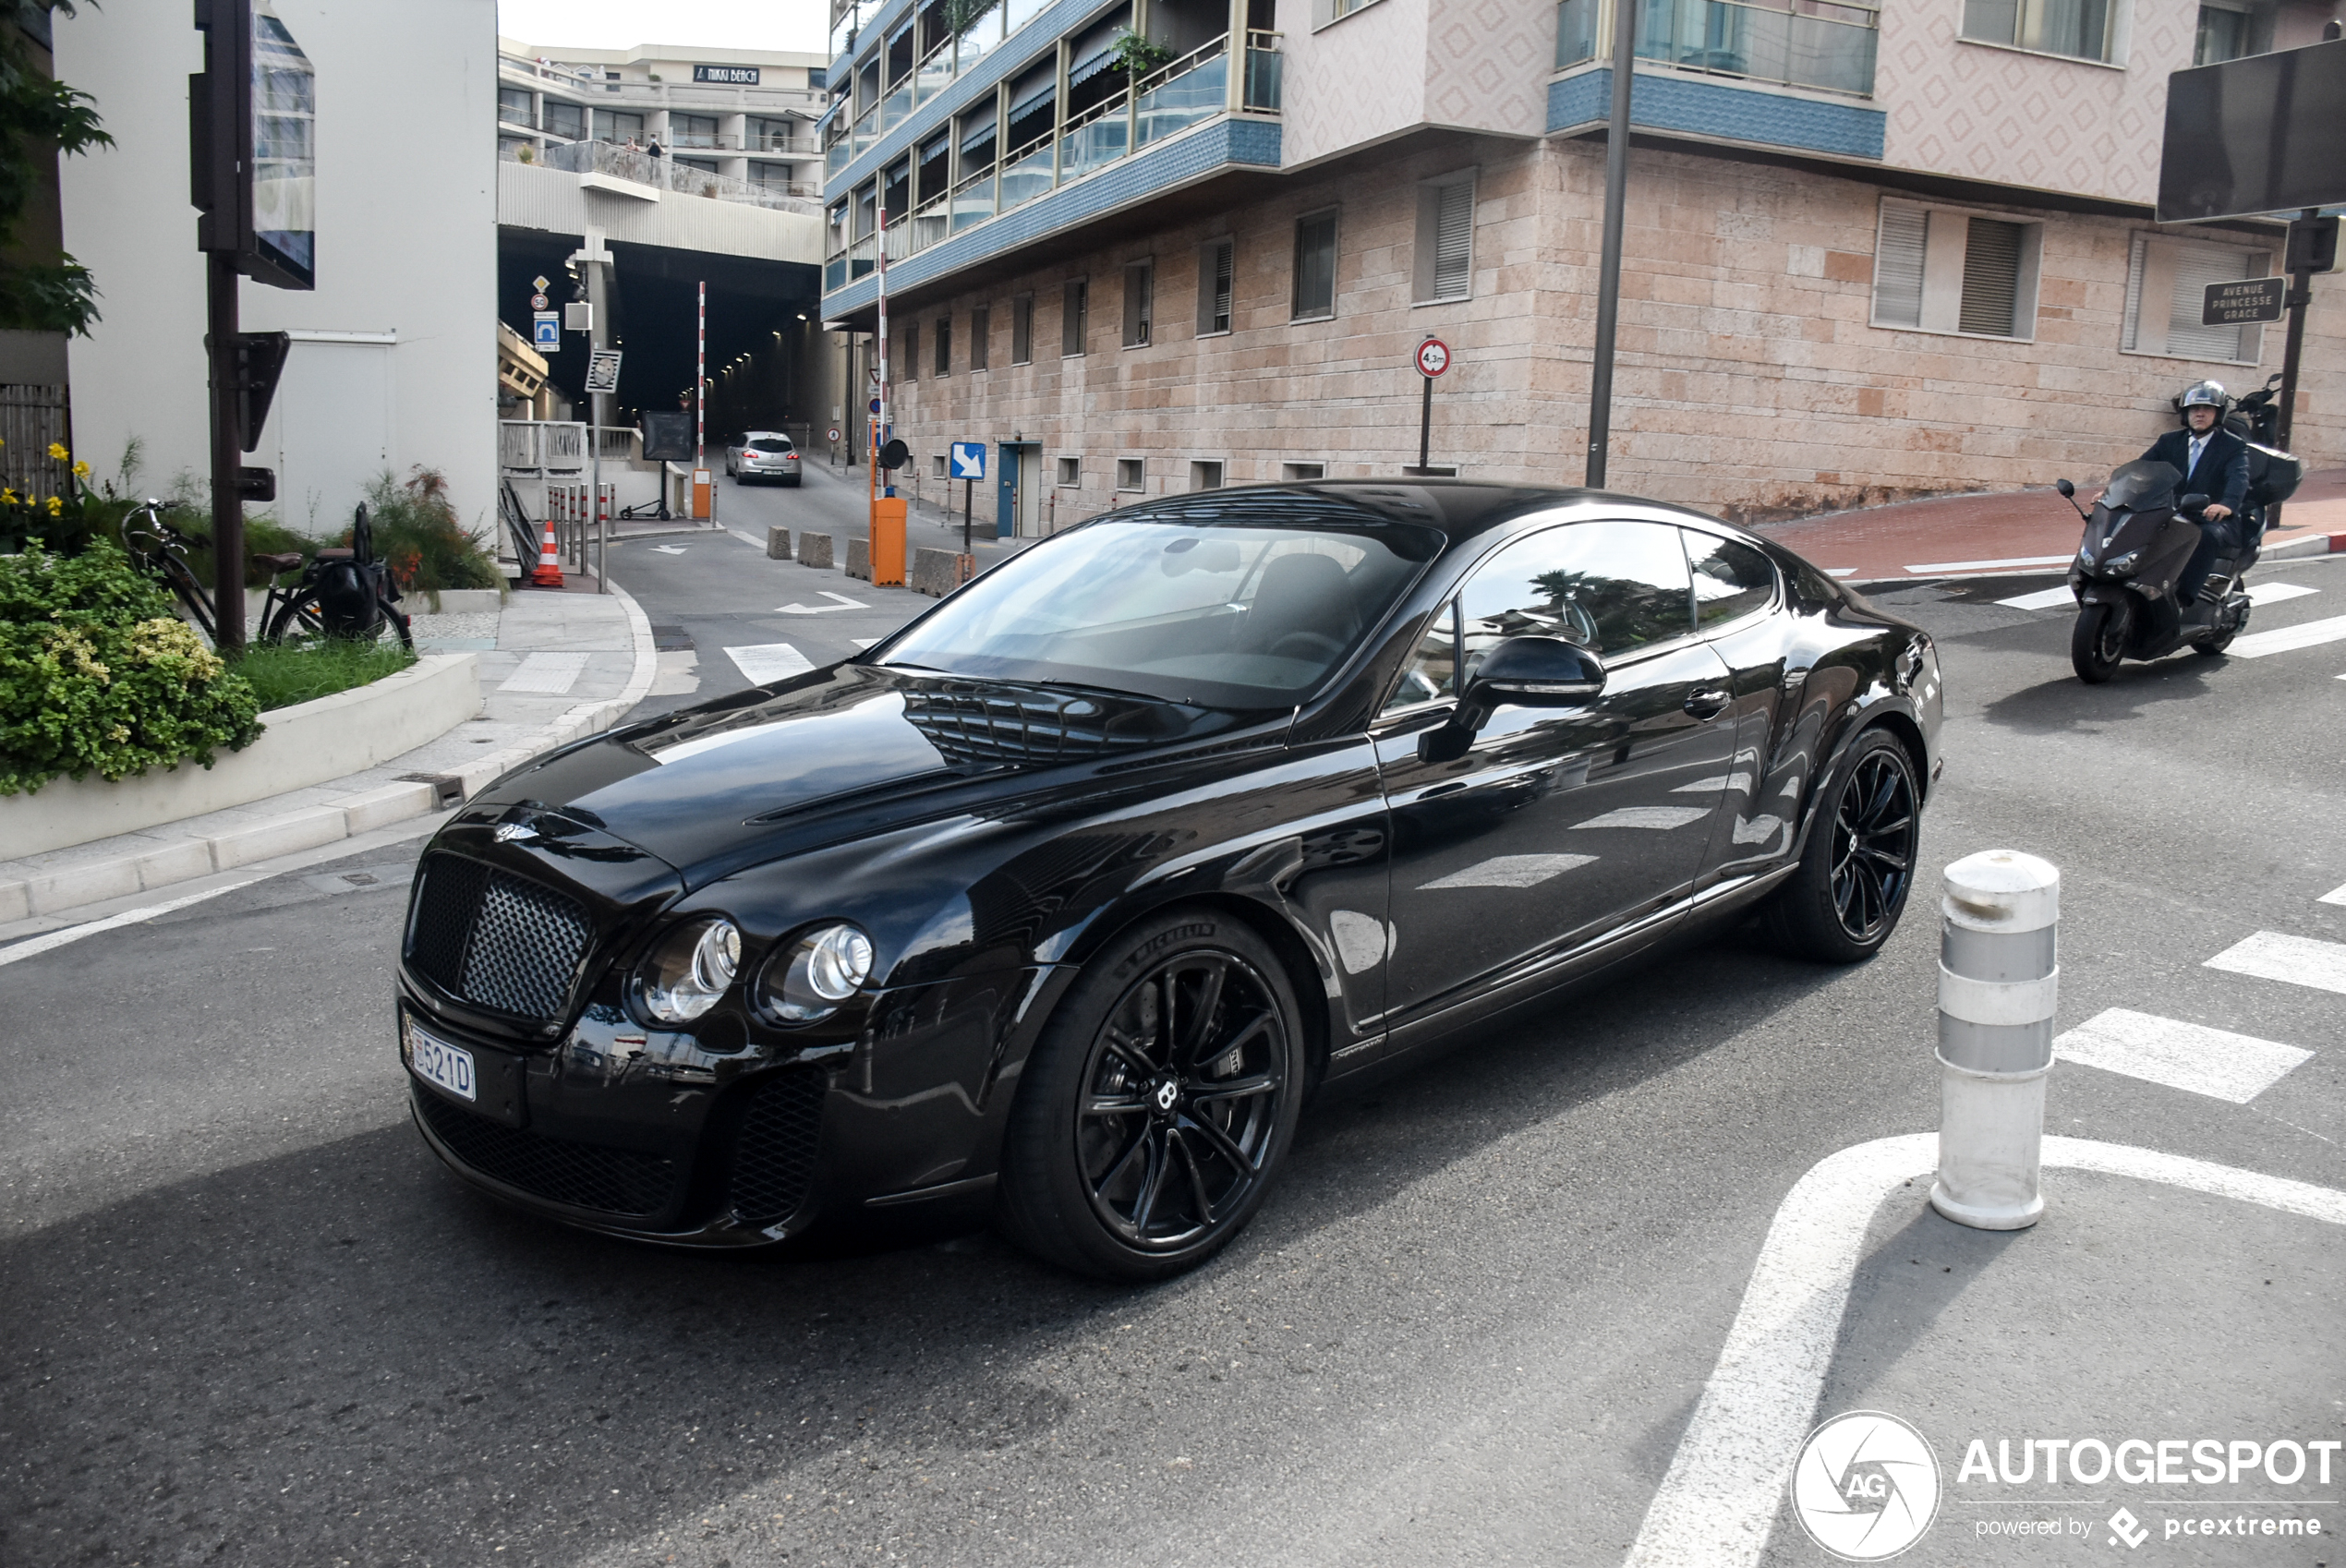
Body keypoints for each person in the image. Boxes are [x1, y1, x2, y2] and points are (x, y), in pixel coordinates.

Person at [2140, 380, 2250, 605]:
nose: (2200, 414)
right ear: (2185, 413)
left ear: (2218, 414)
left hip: (2212, 517)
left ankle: (2184, 599)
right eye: (2194, 409)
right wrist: (2112, 491)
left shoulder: (2233, 446)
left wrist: (2227, 504)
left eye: (2207, 409)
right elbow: (2143, 470)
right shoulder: (2169, 442)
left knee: (2205, 536)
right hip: (2172, 511)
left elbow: (2238, 478)